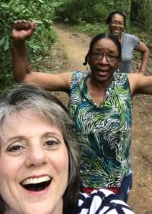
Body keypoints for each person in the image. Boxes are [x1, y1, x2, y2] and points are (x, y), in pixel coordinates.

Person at [11, 20, 152, 202]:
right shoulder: (73, 82)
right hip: (77, 178)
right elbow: (24, 77)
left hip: (117, 179)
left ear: (119, 62)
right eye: (97, 54)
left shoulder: (129, 83)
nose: (103, 61)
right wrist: (19, 42)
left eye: (111, 56)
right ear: (88, 57)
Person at [0, 83, 135, 214]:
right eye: (16, 147)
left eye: (50, 142)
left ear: (70, 155)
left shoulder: (102, 207)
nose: (37, 157)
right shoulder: (75, 80)